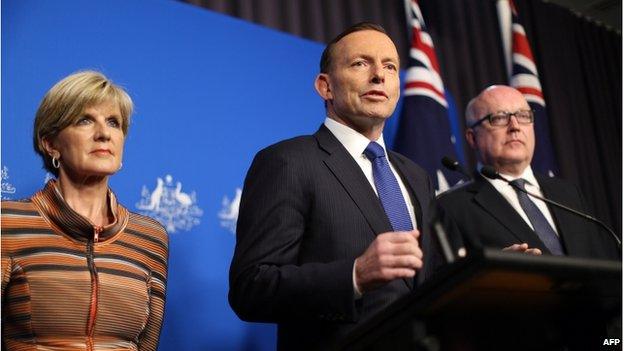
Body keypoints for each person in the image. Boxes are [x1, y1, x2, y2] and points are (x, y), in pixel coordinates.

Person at [229, 23, 438, 350]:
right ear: (325, 86)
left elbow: (424, 283)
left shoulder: (416, 176)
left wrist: (478, 275)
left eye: (390, 66)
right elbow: (252, 288)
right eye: (360, 63)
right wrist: (354, 275)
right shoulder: (288, 161)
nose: (378, 76)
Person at [1, 71, 169, 351]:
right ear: (51, 143)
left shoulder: (150, 237)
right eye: (85, 120)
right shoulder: (8, 223)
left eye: (114, 123)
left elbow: (146, 346)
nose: (104, 133)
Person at [437, 85, 619, 259]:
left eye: (523, 116)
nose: (515, 126)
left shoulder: (568, 194)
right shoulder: (452, 207)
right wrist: (495, 272)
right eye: (499, 118)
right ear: (472, 138)